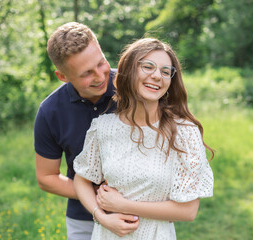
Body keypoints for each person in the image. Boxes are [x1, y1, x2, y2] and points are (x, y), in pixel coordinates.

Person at [73, 38, 214, 239]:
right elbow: (81, 179)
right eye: (148, 67)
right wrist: (102, 217)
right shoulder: (103, 127)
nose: (157, 76)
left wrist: (123, 205)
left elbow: (188, 211)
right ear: (129, 71)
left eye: (166, 72)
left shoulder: (183, 131)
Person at [34, 22, 140, 240]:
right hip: (84, 220)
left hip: (141, 212)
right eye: (86, 73)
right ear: (62, 76)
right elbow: (46, 177)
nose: (101, 77)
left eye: (101, 63)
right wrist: (99, 198)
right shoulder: (50, 111)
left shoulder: (135, 89)